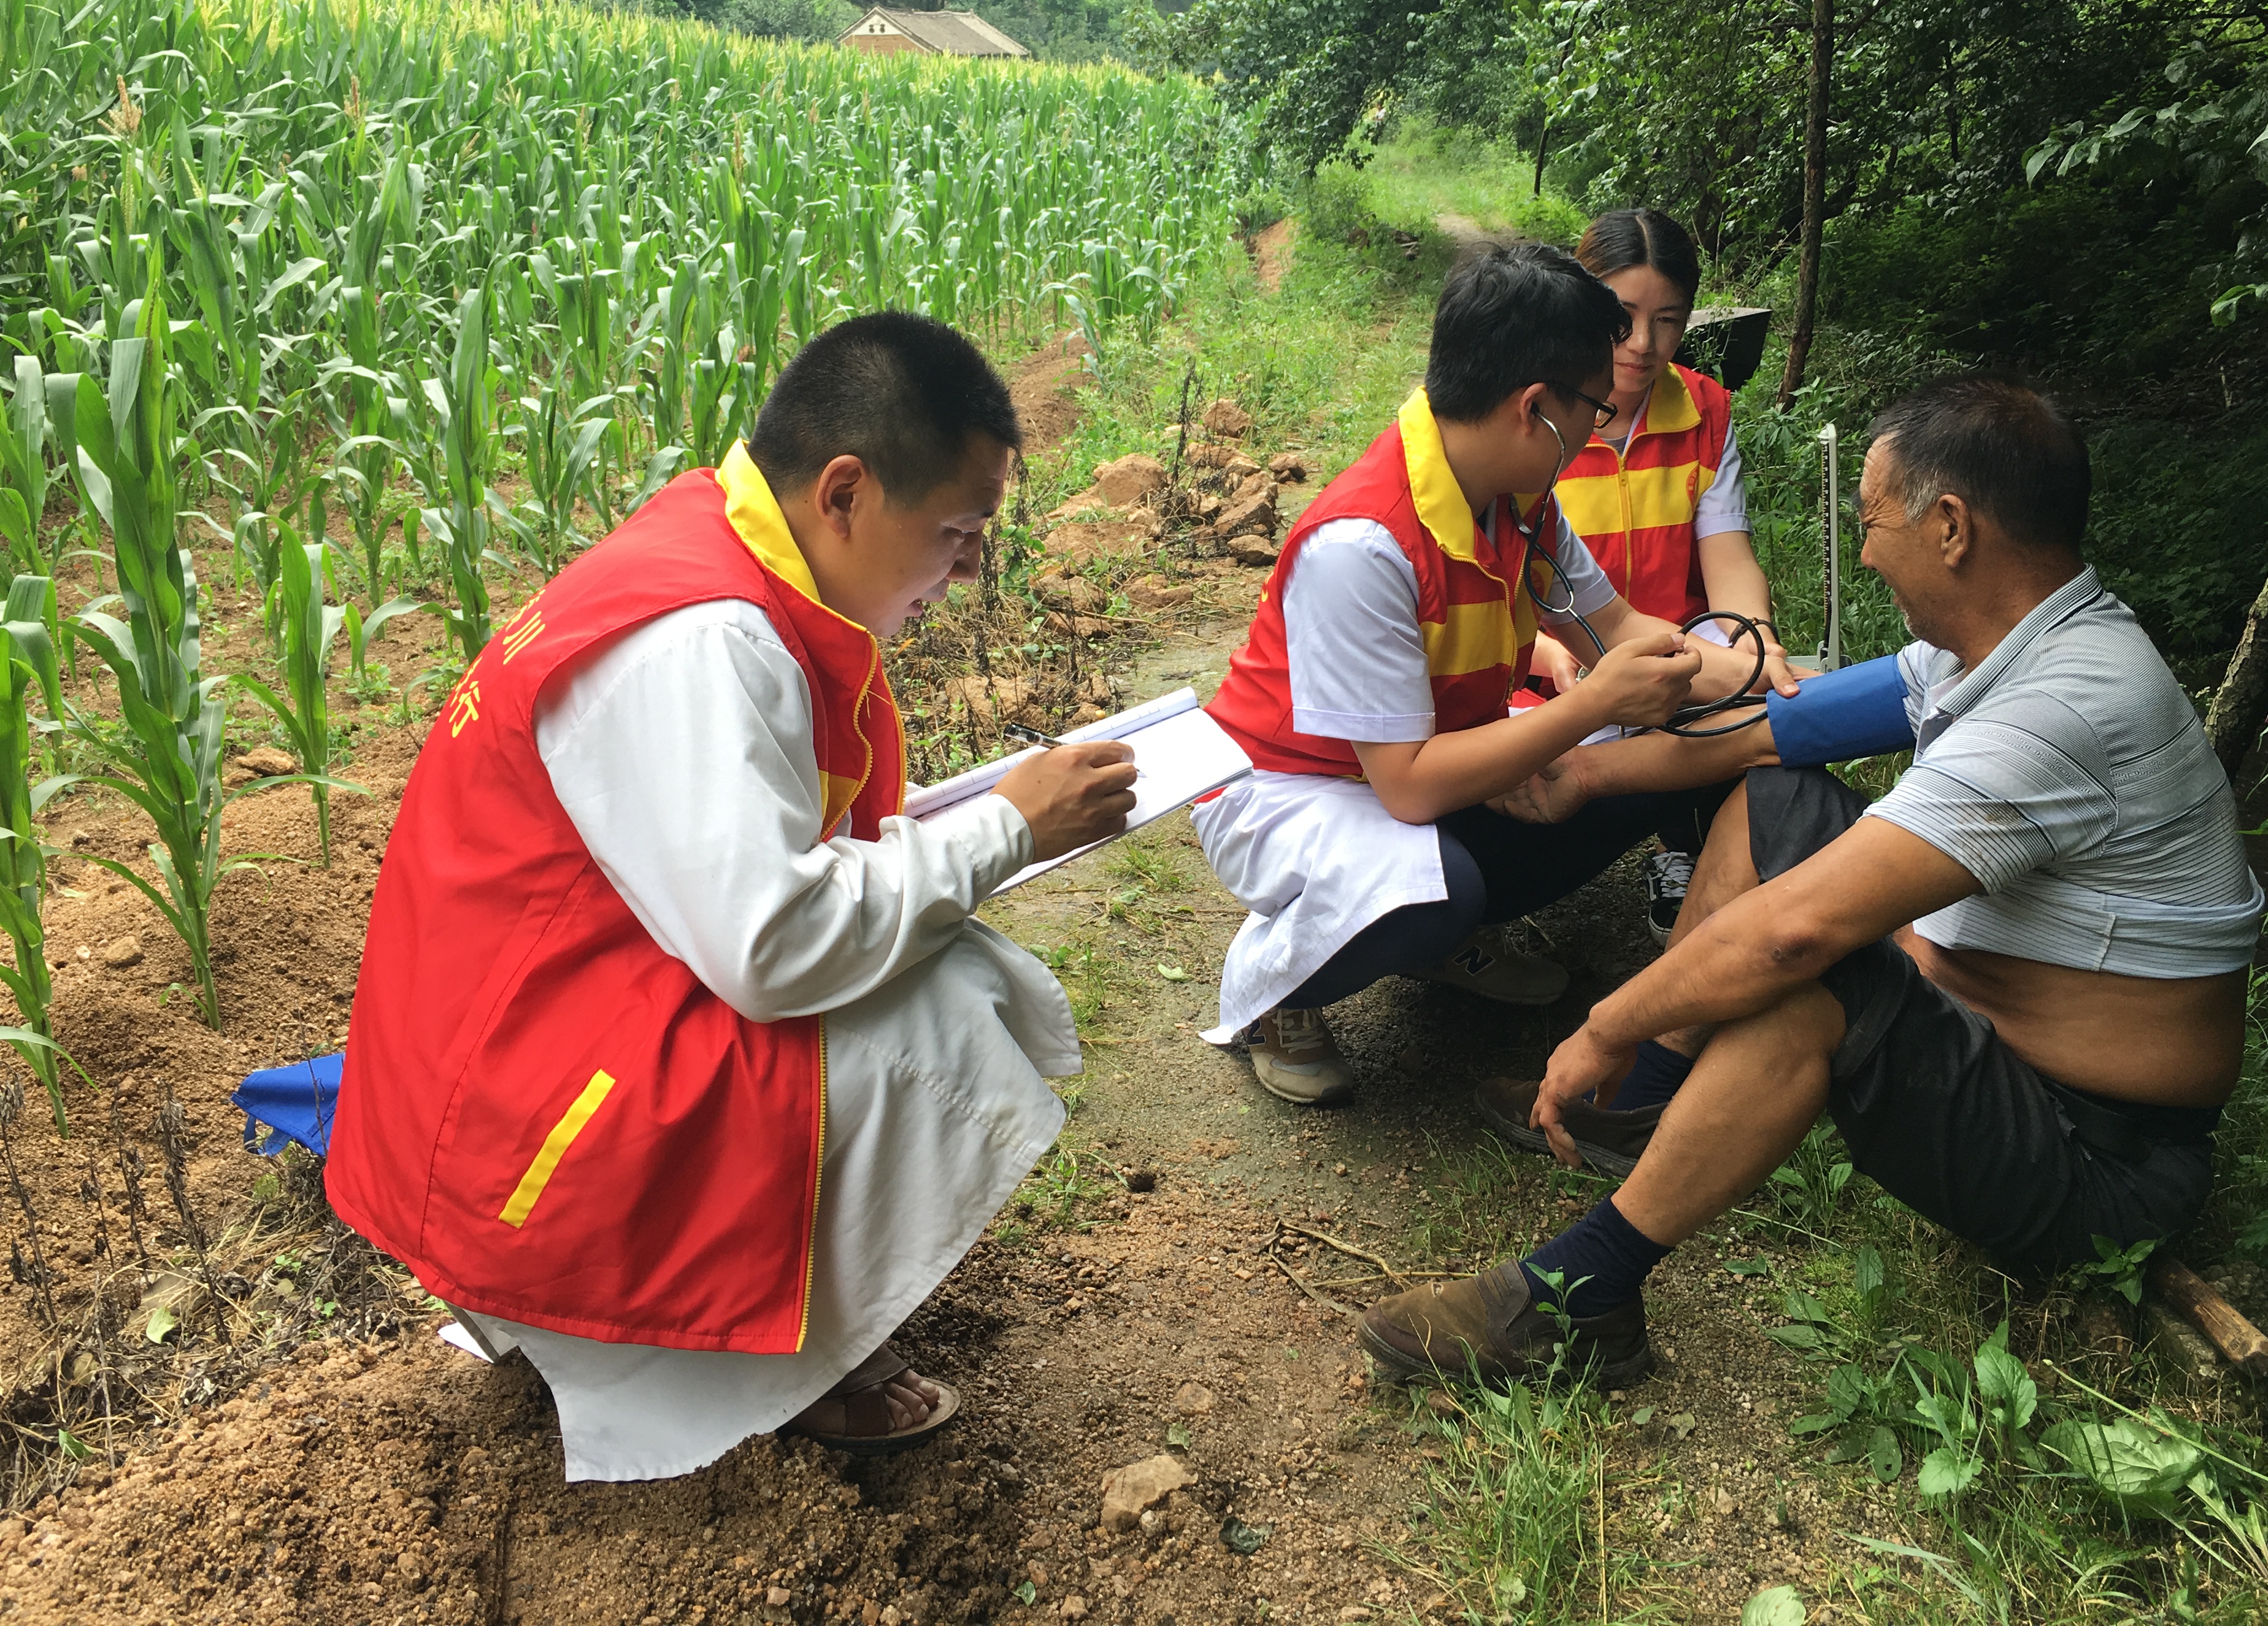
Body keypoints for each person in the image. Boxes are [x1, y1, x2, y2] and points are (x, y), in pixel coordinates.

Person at [324, 314, 1139, 1478]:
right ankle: (751, 1370)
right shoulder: (704, 639)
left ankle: (729, 1318)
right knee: (952, 1002)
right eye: (956, 532)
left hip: (508, 1046)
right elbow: (771, 944)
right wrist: (1005, 829)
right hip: (511, 1129)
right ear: (844, 492)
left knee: (928, 951)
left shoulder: (714, 545)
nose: (966, 570)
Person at [1361, 376, 2264, 1384]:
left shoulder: (2069, 707)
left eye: (1875, 522)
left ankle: (1579, 1299)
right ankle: (1647, 1108)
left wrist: (1603, 1022)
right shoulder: (1998, 651)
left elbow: (1791, 932)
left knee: (1809, 977)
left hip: (2101, 1159)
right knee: (1776, 791)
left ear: (1952, 526)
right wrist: (1581, 770)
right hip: (2013, 1062)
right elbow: (1770, 732)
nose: (1867, 550)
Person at [1196, 242, 1787, 1108]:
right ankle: (1282, 991)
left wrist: (1765, 676)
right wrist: (1589, 709)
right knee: (1451, 884)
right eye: (1594, 406)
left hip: (1427, 760)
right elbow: (1404, 788)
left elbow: (1621, 631)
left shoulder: (1518, 502)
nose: (1600, 426)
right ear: (1533, 409)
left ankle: (1437, 936)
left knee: (1655, 759)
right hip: (1296, 789)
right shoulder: (1365, 543)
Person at [1531, 210, 1789, 945]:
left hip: (1677, 651)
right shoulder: (1538, 417)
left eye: (1668, 321)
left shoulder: (1705, 410)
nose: (1643, 346)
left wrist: (1758, 645)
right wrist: (1550, 657)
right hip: (1556, 666)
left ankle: (1691, 851)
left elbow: (1729, 552)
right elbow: (1488, 585)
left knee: (1738, 677)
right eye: (1622, 318)